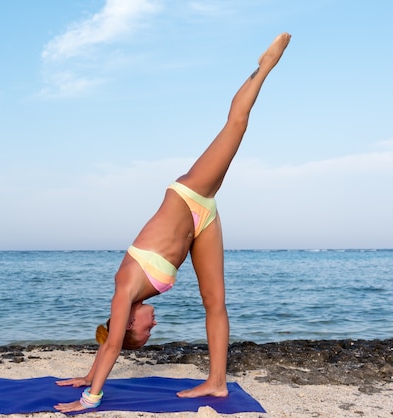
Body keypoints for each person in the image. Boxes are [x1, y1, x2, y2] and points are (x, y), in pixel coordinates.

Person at [54, 32, 291, 413]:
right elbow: (109, 339)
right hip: (203, 220)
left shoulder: (123, 291)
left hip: (187, 195)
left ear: (130, 321)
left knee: (235, 124)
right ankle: (216, 381)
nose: (154, 327)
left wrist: (89, 396)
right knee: (215, 301)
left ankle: (264, 66)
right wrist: (88, 372)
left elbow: (113, 343)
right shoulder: (130, 303)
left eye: (146, 330)